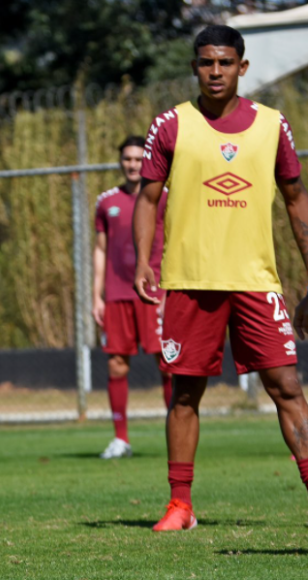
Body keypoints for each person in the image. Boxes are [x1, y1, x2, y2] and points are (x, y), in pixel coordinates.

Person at [134, 24, 308, 532]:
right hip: (190, 279)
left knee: (288, 388)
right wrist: (144, 261)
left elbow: (297, 201)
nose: (216, 71)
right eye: (207, 62)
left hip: (255, 280)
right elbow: (147, 199)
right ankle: (180, 506)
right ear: (194, 67)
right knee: (185, 393)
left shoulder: (273, 125)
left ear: (242, 67)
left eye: (225, 62)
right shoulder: (171, 125)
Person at [93, 136, 172, 459]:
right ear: (120, 162)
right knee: (116, 366)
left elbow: (174, 244)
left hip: (154, 295)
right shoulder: (106, 202)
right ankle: (121, 438)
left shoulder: (164, 198)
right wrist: (96, 295)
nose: (133, 164)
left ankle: (174, 434)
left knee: (167, 364)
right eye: (128, 159)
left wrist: (170, 291)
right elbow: (100, 249)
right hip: (116, 294)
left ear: (148, 161)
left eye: (139, 159)